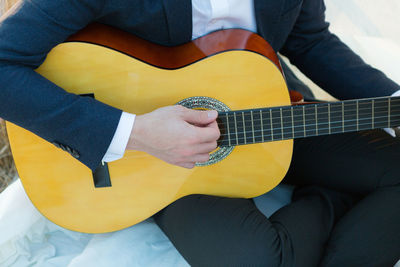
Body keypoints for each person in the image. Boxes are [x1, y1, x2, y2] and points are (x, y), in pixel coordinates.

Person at [0, 0, 399, 266]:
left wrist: (394, 99)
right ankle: (336, 195)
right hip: (155, 159)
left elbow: (306, 38)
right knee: (257, 261)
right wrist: (135, 132)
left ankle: (328, 196)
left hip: (270, 107)